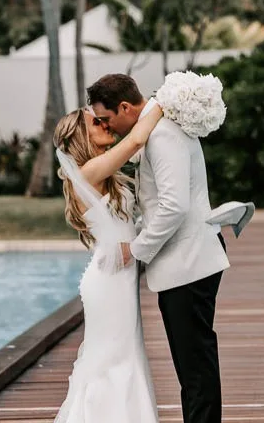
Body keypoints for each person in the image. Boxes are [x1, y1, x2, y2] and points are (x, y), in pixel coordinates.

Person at [87, 73, 230, 423]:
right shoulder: (157, 130)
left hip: (189, 263)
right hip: (185, 262)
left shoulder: (162, 134)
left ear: (124, 107)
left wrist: (136, 250)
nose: (109, 127)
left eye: (107, 119)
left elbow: (173, 206)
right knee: (192, 364)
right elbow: (160, 205)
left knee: (195, 365)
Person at [53, 101, 163, 423]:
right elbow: (136, 140)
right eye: (95, 123)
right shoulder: (89, 172)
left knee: (125, 358)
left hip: (120, 277)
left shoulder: (103, 174)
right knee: (113, 363)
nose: (105, 124)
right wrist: (167, 100)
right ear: (81, 137)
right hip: (109, 279)